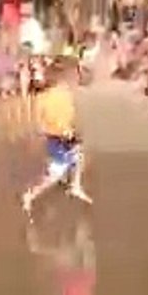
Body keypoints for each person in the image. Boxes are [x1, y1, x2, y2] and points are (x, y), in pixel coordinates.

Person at [21, 58, 92, 212]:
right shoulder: (47, 97)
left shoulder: (59, 90)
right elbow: (49, 122)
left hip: (64, 133)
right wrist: (64, 132)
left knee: (79, 156)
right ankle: (30, 195)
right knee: (55, 173)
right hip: (58, 137)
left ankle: (75, 185)